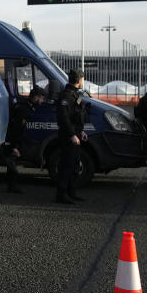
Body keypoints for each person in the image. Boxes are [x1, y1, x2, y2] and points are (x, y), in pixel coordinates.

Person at [0, 85, 46, 193]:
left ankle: (11, 185)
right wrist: (14, 147)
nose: (42, 101)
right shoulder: (23, 109)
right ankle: (12, 186)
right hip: (12, 140)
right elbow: (15, 130)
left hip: (16, 140)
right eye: (42, 98)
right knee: (12, 164)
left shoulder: (27, 107)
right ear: (35, 97)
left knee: (13, 163)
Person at [55, 69, 88, 205]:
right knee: (66, 166)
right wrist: (72, 135)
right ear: (79, 80)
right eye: (82, 79)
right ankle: (61, 194)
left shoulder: (74, 95)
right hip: (68, 136)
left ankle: (71, 191)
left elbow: (76, 117)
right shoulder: (66, 96)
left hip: (76, 135)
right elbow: (63, 118)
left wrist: (81, 132)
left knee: (74, 165)